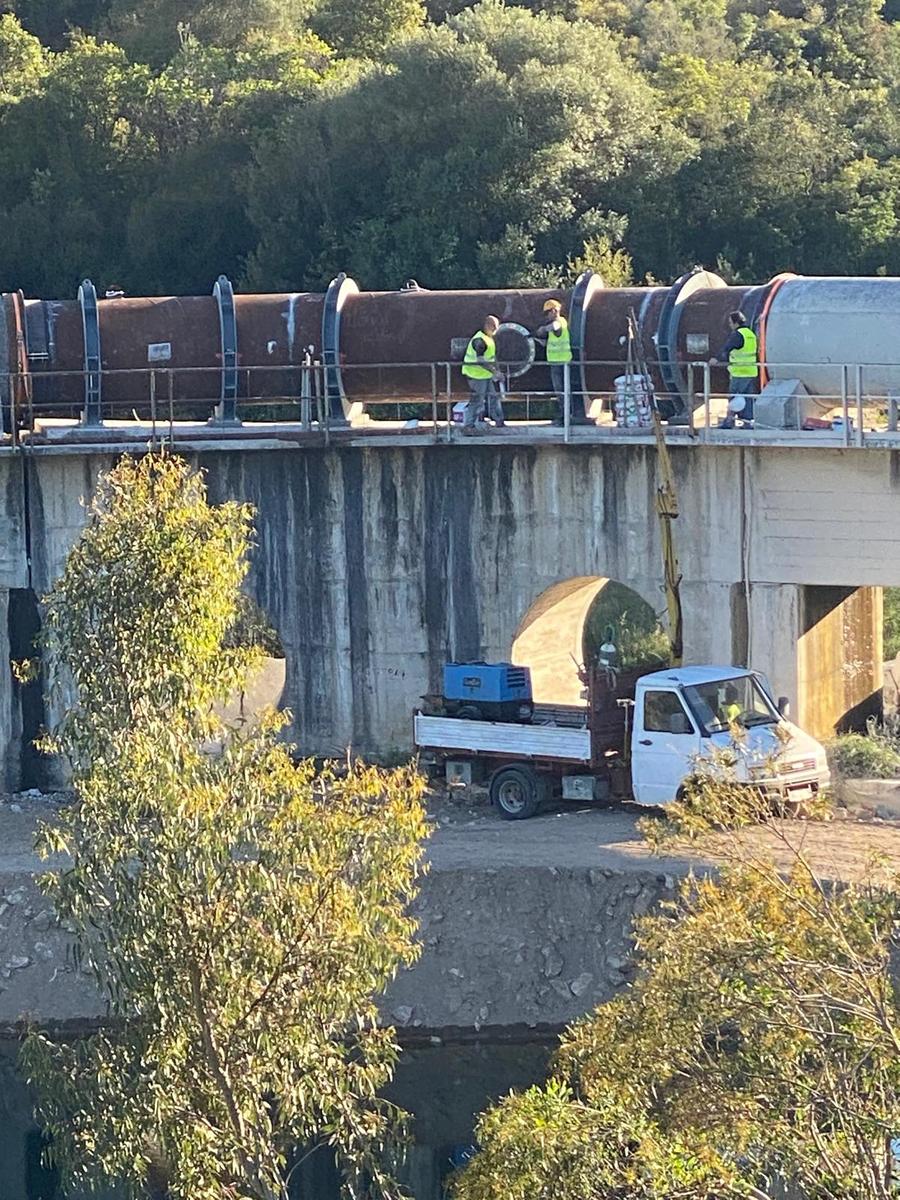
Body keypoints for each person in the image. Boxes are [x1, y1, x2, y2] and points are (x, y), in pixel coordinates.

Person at [535, 298, 589, 426]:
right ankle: (565, 416)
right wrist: (539, 341)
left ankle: (566, 417)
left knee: (562, 391)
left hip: (562, 364)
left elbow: (554, 327)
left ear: (554, 311)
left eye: (547, 313)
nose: (546, 316)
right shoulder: (558, 324)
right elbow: (553, 342)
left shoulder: (560, 321)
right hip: (556, 363)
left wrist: (543, 329)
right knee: (561, 392)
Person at [711, 311, 758, 429]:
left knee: (734, 396)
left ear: (736, 323)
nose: (730, 325)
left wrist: (716, 358)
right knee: (747, 399)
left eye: (731, 323)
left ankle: (729, 422)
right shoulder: (750, 334)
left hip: (739, 372)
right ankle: (747, 423)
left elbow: (727, 347)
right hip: (750, 371)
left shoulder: (737, 334)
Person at [460, 315, 505, 436]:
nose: (496, 329)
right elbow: (480, 360)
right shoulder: (479, 340)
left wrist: (498, 371)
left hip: (485, 374)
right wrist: (495, 372)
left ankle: (499, 421)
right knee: (477, 400)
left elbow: (492, 357)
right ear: (487, 326)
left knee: (493, 397)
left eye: (497, 326)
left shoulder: (489, 338)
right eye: (494, 326)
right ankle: (468, 426)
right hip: (475, 375)